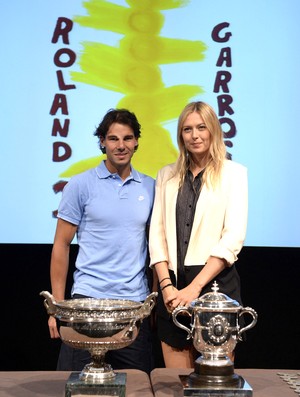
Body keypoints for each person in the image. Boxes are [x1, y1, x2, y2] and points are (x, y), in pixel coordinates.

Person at [48, 108, 155, 374]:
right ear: (102, 142)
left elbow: (157, 249)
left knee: (137, 388)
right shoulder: (80, 185)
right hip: (87, 303)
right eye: (113, 139)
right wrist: (57, 307)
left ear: (136, 142)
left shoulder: (151, 187)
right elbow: (61, 244)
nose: (121, 146)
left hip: (133, 306)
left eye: (127, 138)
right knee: (79, 386)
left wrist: (153, 303)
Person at [149, 101, 248, 368]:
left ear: (213, 130)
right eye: (187, 129)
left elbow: (233, 237)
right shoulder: (166, 175)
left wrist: (194, 289)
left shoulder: (234, 174)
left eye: (201, 127)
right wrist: (167, 286)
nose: (194, 135)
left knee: (214, 385)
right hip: (173, 288)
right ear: (180, 135)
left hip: (216, 287)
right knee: (175, 385)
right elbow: (156, 235)